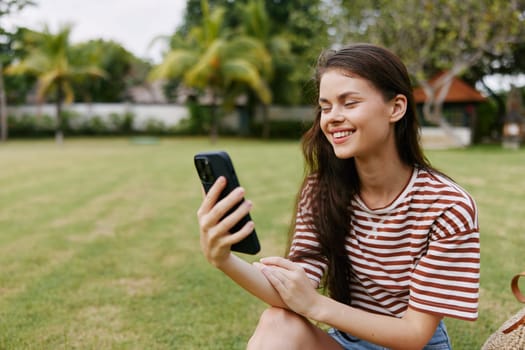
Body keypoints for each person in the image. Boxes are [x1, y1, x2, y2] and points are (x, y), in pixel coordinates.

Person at [197, 43, 480, 350]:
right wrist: (223, 259)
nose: (332, 118)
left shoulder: (447, 207)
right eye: (326, 106)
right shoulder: (322, 191)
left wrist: (317, 306)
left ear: (396, 108)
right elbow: (292, 293)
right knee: (277, 322)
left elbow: (414, 335)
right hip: (348, 343)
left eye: (349, 102)